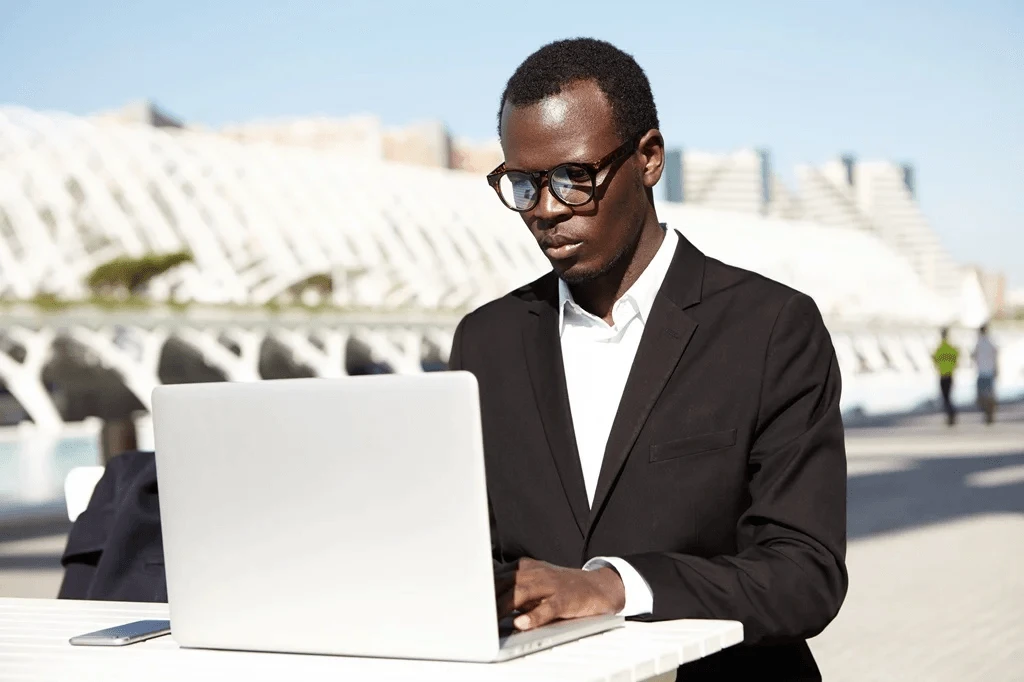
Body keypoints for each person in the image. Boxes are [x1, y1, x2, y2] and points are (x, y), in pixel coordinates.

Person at [449, 38, 847, 680]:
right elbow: (464, 555)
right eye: (522, 184)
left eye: (575, 178)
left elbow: (805, 574)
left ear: (649, 158)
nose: (546, 210)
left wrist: (616, 586)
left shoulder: (771, 328)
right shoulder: (483, 343)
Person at [932, 328, 960, 425]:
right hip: (950, 374)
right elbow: (957, 358)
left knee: (945, 397)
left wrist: (940, 367)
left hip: (943, 375)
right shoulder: (951, 348)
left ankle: (950, 414)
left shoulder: (939, 349)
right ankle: (951, 414)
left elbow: (934, 360)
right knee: (949, 396)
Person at [972, 324, 998, 424]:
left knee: (982, 395)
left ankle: (988, 413)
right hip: (989, 371)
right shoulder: (990, 341)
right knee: (989, 395)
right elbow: (996, 354)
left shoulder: (979, 342)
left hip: (982, 372)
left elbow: (973, 355)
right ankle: (989, 413)